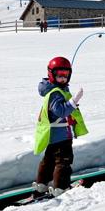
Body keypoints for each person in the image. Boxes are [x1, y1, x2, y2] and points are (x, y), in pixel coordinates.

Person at [33, 57, 87, 198]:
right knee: (63, 161)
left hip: (55, 136)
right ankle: (61, 187)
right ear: (51, 74)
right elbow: (61, 111)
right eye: (59, 75)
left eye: (65, 75)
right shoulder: (54, 93)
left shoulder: (56, 90)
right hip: (61, 136)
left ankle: (42, 185)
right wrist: (74, 101)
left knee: (49, 160)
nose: (63, 79)